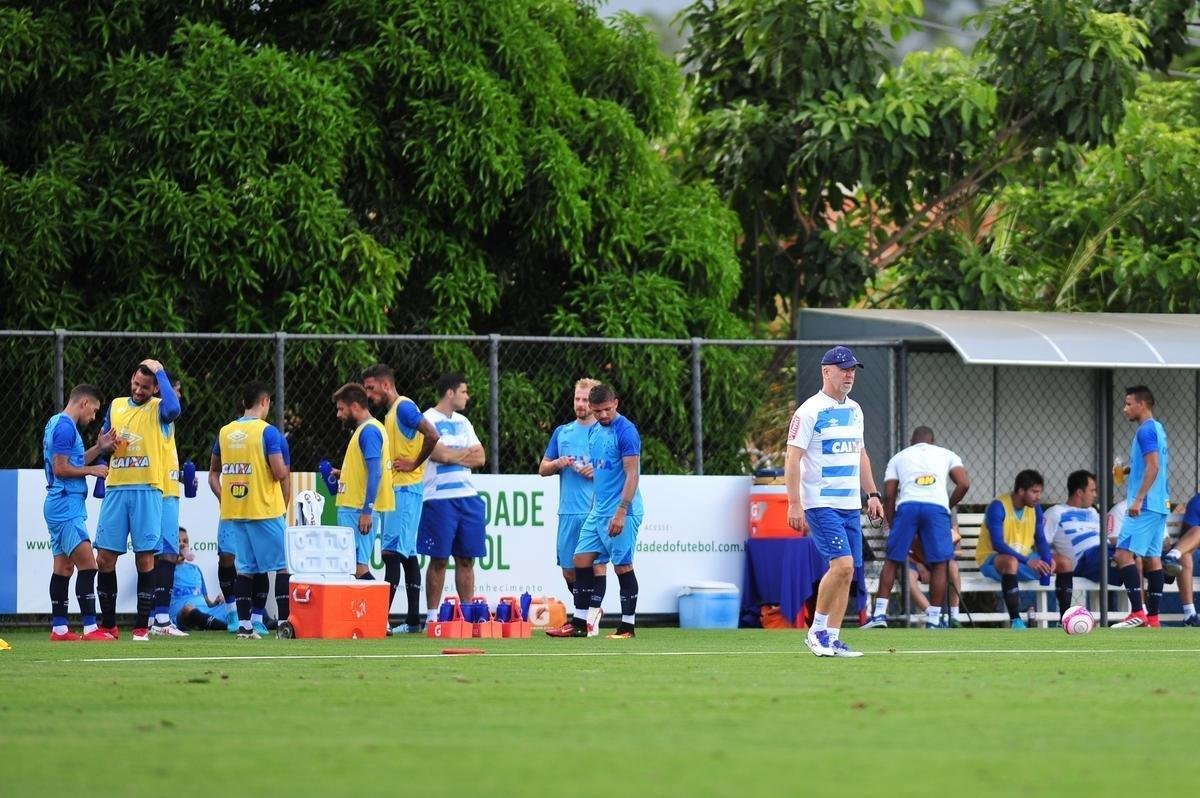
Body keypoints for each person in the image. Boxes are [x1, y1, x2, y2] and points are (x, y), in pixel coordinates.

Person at [784, 346, 883, 658]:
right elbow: (792, 458)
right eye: (843, 369)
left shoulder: (855, 410)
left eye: (853, 369)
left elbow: (861, 454)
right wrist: (794, 502)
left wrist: (873, 494)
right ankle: (817, 631)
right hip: (820, 502)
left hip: (850, 505)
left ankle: (833, 638)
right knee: (840, 565)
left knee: (848, 571)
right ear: (826, 372)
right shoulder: (809, 411)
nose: (849, 374)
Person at [547, 383, 642, 639]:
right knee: (580, 560)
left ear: (616, 404)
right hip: (597, 511)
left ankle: (627, 627)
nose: (602, 415)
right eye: (597, 411)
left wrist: (621, 511)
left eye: (607, 410)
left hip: (622, 510)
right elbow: (602, 472)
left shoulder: (626, 432)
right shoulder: (595, 432)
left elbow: (632, 474)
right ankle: (580, 624)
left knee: (622, 566)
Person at [95, 359, 181, 641]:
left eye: (146, 387)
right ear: (131, 378)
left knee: (145, 559)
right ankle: (108, 626)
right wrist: (103, 445)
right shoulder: (117, 405)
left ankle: (142, 626)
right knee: (105, 558)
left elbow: (174, 408)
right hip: (117, 489)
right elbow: (103, 437)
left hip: (147, 489)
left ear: (156, 387)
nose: (139, 390)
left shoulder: (159, 408)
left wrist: (160, 371)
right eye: (136, 384)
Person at [863, 426, 969, 629]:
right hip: (936, 507)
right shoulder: (947, 454)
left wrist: (894, 527)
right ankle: (934, 619)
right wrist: (947, 505)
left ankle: (879, 616)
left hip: (908, 506)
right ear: (933, 440)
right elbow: (963, 483)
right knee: (940, 563)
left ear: (912, 441)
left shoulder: (898, 457)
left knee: (892, 560)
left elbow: (890, 495)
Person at [362, 363, 441, 634]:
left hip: (405, 490)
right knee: (406, 554)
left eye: (371, 389)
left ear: (386, 385)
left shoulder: (404, 408)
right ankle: (411, 621)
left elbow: (433, 434)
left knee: (391, 553)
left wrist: (415, 462)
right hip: (402, 490)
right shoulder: (392, 414)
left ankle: (380, 619)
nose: (368, 395)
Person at [212, 382, 292, 639]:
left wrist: (226, 497)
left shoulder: (225, 432)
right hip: (265, 509)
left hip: (237, 512)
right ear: (265, 401)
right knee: (283, 566)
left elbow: (215, 471)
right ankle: (283, 623)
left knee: (245, 569)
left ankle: (245, 626)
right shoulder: (267, 433)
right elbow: (279, 472)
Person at [42, 384, 118, 641]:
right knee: (89, 565)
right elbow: (61, 468)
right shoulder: (65, 427)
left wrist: (99, 449)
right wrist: (93, 471)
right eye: (94, 411)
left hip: (59, 502)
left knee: (63, 567)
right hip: (66, 505)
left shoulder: (57, 423)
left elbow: (70, 462)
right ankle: (90, 628)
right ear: (84, 402)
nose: (94, 417)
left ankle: (60, 629)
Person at [418, 372, 487, 624]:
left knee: (466, 559)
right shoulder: (426, 419)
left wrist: (451, 454)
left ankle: (467, 616)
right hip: (438, 498)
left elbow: (480, 457)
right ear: (450, 393)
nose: (467, 396)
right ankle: (433, 618)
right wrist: (459, 453)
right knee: (438, 559)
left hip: (468, 496)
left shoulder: (464, 422)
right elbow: (439, 454)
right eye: (464, 392)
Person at [539, 378, 599, 634]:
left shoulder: (605, 432)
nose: (581, 404)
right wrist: (558, 464)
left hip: (594, 511)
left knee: (595, 566)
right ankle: (584, 615)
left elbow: (622, 469)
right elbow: (542, 468)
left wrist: (597, 470)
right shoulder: (562, 432)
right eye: (578, 399)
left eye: (586, 400)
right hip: (568, 511)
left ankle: (588, 618)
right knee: (569, 572)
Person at [1111, 385, 1170, 628]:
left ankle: (1137, 611)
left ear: (1142, 404)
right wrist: (1126, 471)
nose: (1125, 408)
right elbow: (1150, 464)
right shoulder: (1158, 428)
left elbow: (1153, 466)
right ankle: (1154, 618)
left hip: (1145, 504)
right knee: (1153, 559)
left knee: (1122, 553)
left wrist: (1137, 499)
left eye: (1128, 403)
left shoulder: (1145, 431)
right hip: (1160, 504)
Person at [976, 469, 1053, 629]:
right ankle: (1015, 620)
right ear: (1020, 491)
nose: (1039, 497)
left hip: (1023, 559)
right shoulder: (998, 507)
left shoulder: (1035, 508)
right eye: (1034, 492)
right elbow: (998, 544)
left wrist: (1047, 559)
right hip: (993, 560)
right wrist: (1028, 561)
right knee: (1011, 562)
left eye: (1040, 492)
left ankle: (1064, 620)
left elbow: (1040, 538)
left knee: (1063, 562)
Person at [332, 382, 394, 580]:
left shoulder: (368, 432)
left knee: (358, 569)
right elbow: (367, 470)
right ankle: (372, 611)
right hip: (355, 508)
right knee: (353, 568)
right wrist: (344, 474)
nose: (338, 415)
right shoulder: (366, 430)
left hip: (357, 510)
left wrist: (367, 511)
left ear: (355, 407)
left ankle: (377, 611)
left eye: (341, 409)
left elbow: (375, 472)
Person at [151, 374, 189, 637]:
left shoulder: (158, 414)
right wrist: (160, 371)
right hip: (159, 490)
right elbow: (173, 407)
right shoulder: (160, 410)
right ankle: (160, 619)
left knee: (159, 553)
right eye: (175, 389)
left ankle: (156, 617)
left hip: (166, 488)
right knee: (163, 553)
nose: (179, 395)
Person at [1042, 470, 1102, 620]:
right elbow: (1040, 544)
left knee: (1131, 557)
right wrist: (1054, 559)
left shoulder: (1093, 512)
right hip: (1085, 561)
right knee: (1125, 559)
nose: (1095, 495)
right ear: (1079, 492)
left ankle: (1143, 614)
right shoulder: (1055, 513)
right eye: (1092, 490)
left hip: (1105, 555)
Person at [170, 527, 235, 631]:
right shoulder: (165, 569)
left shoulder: (195, 569)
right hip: (181, 614)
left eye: (185, 541)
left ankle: (265, 622)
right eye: (177, 541)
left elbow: (207, 602)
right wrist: (171, 559)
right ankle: (223, 627)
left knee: (234, 603)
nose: (182, 544)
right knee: (188, 609)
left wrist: (216, 603)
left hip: (205, 612)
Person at [1163, 493, 1200, 626]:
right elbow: (1187, 535)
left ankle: (1173, 555)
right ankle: (1190, 614)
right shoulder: (1197, 502)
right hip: (1192, 553)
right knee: (1196, 533)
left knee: (1183, 553)